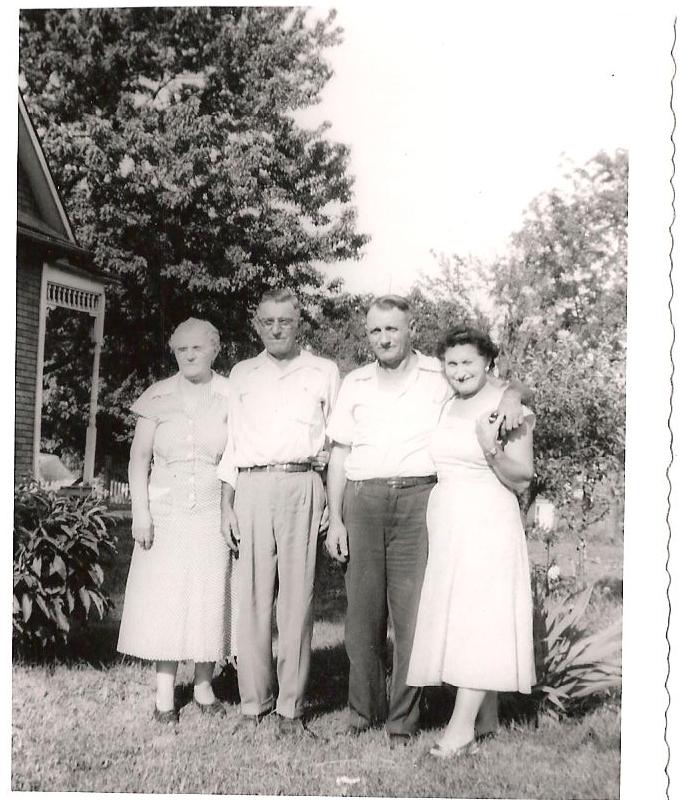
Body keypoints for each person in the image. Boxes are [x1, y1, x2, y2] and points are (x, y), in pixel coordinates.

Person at [324, 295, 526, 745]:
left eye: (392, 328)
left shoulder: (440, 376)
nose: (384, 338)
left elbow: (500, 385)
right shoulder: (354, 383)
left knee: (413, 614)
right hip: (363, 498)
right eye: (375, 330)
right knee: (362, 615)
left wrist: (513, 394)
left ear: (409, 328)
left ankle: (403, 720)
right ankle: (363, 712)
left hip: (418, 498)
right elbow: (338, 454)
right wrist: (335, 520)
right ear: (367, 334)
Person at [407, 325, 536, 758]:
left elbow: (521, 478)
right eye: (452, 363)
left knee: (479, 622)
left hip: (487, 520)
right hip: (449, 522)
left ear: (487, 362)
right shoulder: (448, 403)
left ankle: (460, 729)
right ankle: (488, 721)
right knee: (463, 617)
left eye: (468, 362)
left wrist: (490, 447)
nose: (459, 370)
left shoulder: (508, 408)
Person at [218, 288, 340, 736]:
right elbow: (231, 444)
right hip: (250, 486)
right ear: (256, 324)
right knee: (250, 601)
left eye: (284, 321)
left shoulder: (323, 371)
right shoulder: (242, 373)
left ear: (298, 322)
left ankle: (290, 706)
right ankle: (254, 701)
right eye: (267, 321)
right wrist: (227, 504)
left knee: (297, 602)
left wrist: (329, 497)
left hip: (302, 484)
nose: (275, 329)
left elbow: (335, 443)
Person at [117, 318, 235, 723]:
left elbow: (237, 455)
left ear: (214, 350)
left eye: (197, 348)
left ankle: (204, 686)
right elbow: (138, 459)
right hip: (165, 513)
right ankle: (165, 694)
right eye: (181, 348)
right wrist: (141, 512)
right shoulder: (158, 395)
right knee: (166, 599)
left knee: (209, 594)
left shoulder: (229, 395)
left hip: (212, 510)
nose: (188, 355)